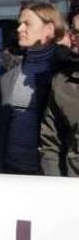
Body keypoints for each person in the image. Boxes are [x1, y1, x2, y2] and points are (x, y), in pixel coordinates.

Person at [0, 2, 68, 175]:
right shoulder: (11, 67)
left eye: (27, 23)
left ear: (50, 29)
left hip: (47, 172)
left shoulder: (64, 70)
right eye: (19, 23)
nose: (20, 28)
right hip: (9, 169)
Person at [39, 17, 79, 176]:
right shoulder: (61, 82)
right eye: (73, 30)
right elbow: (51, 144)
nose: (72, 36)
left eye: (77, 32)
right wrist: (55, 186)